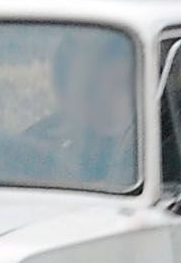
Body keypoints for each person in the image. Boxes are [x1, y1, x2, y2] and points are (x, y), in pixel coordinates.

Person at [27, 33, 137, 185]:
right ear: (63, 94)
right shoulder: (33, 152)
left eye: (119, 85)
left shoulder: (160, 154)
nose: (105, 101)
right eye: (91, 89)